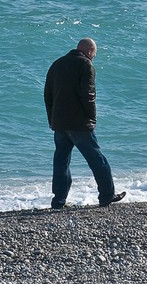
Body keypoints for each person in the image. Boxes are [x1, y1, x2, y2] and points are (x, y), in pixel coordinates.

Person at [44, 37, 125, 208]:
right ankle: (107, 195)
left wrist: (52, 119)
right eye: (93, 55)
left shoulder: (57, 64)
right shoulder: (85, 64)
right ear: (89, 52)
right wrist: (91, 119)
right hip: (79, 123)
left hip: (59, 123)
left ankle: (58, 201)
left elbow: (48, 95)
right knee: (97, 159)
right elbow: (88, 94)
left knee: (61, 162)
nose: (93, 58)